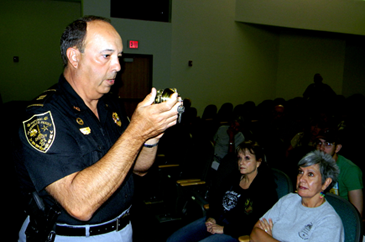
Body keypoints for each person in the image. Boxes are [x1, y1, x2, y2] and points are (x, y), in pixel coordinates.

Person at [15, 16, 181, 242]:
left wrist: (152, 135)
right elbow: (78, 205)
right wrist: (137, 131)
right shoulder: (45, 116)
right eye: (106, 56)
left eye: (119, 57)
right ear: (75, 57)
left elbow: (139, 168)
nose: (118, 66)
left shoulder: (110, 104)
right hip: (70, 236)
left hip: (122, 228)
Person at [166, 140, 278, 242]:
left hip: (237, 233)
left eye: (247, 158)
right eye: (239, 158)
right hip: (219, 220)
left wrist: (224, 229)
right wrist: (212, 217)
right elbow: (216, 199)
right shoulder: (234, 177)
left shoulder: (265, 189)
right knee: (174, 240)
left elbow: (252, 224)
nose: (241, 163)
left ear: (258, 162)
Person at [250, 150, 344, 242]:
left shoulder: (329, 221)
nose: (302, 179)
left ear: (326, 183)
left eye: (310, 174)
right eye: (300, 172)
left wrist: (266, 239)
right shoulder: (288, 200)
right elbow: (255, 232)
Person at [315, 129, 363, 216]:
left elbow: (357, 212)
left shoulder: (350, 170)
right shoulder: (314, 165)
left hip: (340, 215)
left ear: (337, 148)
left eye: (328, 144)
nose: (321, 148)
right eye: (319, 143)